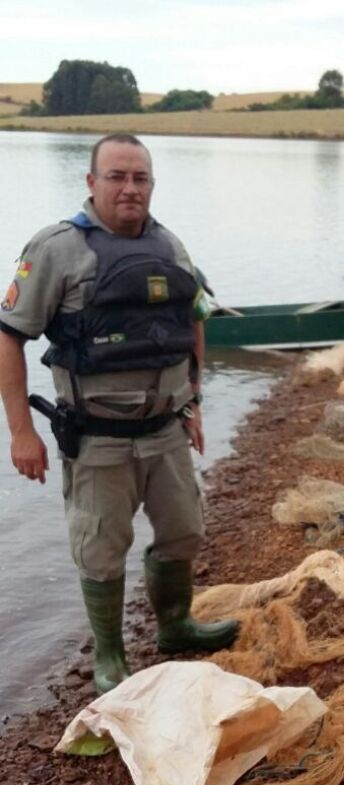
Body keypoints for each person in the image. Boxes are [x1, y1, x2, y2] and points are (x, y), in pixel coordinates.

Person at [0, 133, 238, 694]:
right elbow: (9, 338)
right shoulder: (55, 250)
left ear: (152, 184)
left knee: (184, 533)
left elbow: (194, 318)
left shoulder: (171, 246)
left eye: (140, 178)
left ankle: (175, 626)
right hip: (98, 438)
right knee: (102, 552)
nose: (129, 188)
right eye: (117, 176)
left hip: (166, 431)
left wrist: (195, 400)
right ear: (91, 182)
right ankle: (110, 657)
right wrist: (20, 432)